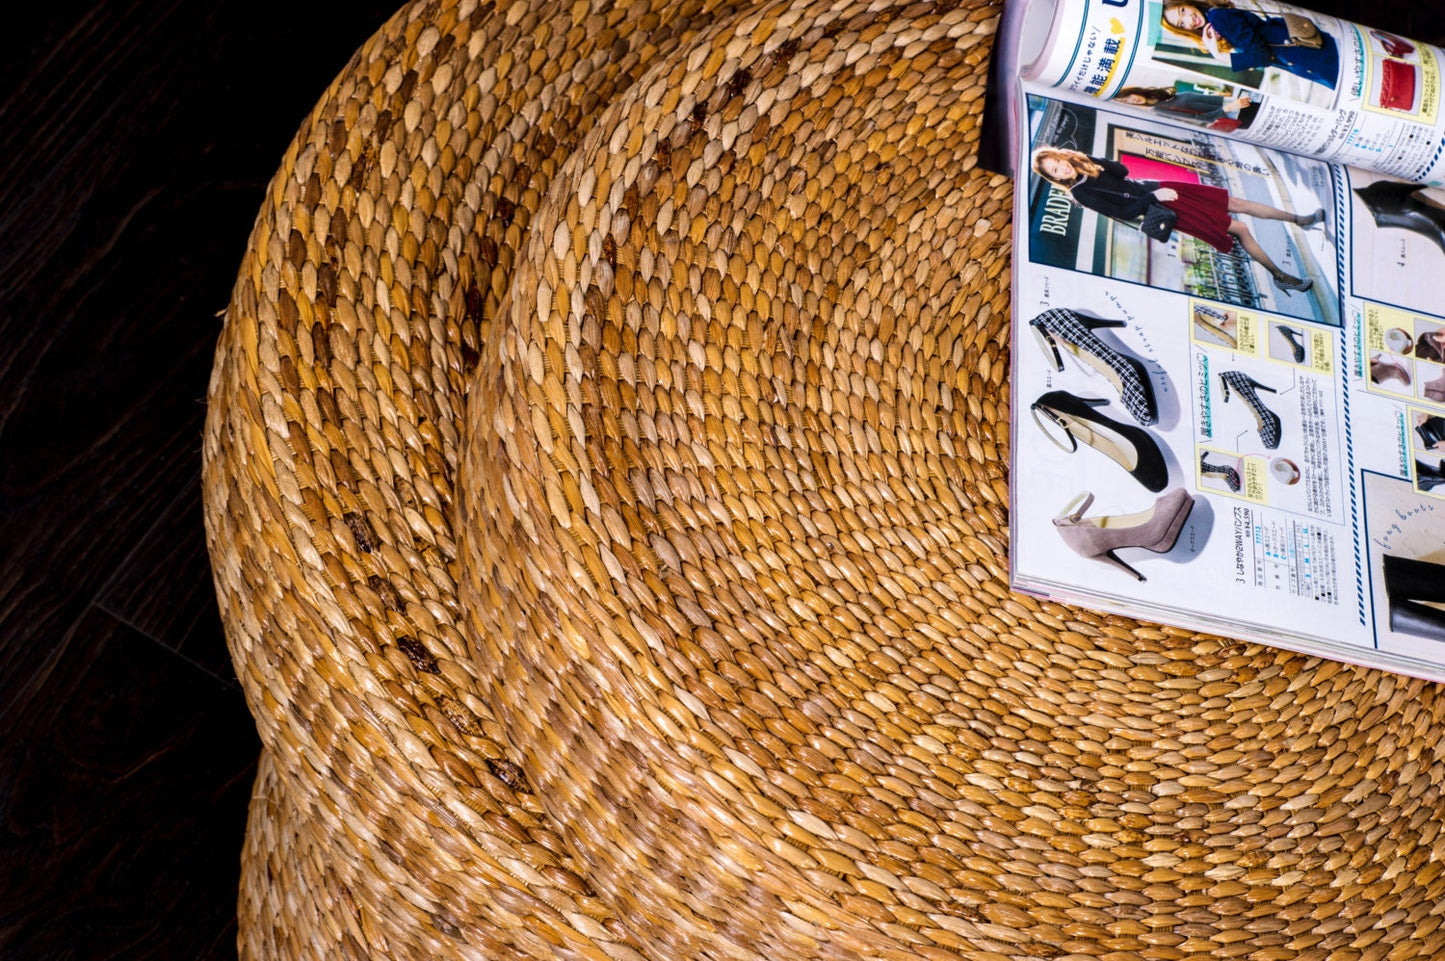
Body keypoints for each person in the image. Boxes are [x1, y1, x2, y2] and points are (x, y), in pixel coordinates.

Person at [1030, 146, 1322, 293]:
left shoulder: (1085, 169)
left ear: (1062, 157)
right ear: (1053, 178)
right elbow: (1124, 213)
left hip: (1163, 189)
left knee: (1237, 203)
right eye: (1054, 172)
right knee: (1239, 227)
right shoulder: (1081, 194)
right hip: (1164, 203)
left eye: (1058, 163)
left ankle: (1299, 219)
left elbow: (1122, 172)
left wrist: (1089, 162)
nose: (1060, 170)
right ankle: (1280, 276)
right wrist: (1155, 198)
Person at [1160, 0, 1339, 91]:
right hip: (1303, 53)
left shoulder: (1218, 18)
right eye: (1181, 24)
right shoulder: (1215, 21)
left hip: (1309, 56)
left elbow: (1261, 57)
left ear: (1187, 2)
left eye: (1182, 11)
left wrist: (1219, 56)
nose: (1189, 20)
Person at [1113, 85, 1253, 128]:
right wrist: (1229, 108)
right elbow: (1198, 118)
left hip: (1234, 101)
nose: (1133, 100)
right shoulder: (1159, 110)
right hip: (1231, 113)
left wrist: (1229, 99)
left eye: (1129, 96)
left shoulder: (1161, 95)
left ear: (1134, 91)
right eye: (1126, 102)